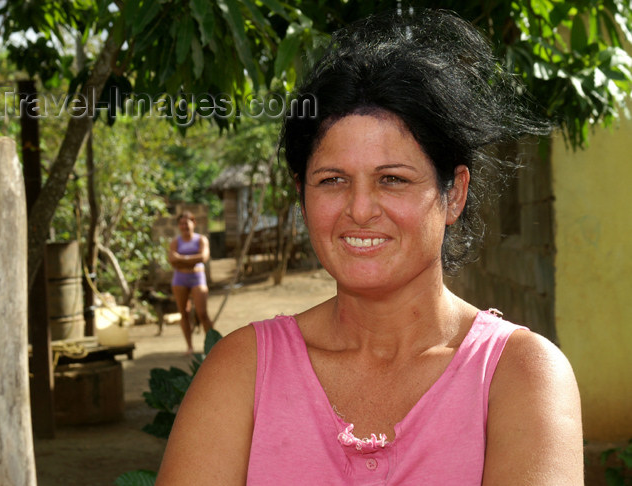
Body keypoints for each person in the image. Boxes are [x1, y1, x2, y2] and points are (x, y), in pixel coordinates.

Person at [156, 9, 583, 485]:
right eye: (332, 179)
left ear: (454, 193)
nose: (359, 209)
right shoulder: (241, 371)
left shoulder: (518, 375)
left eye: (393, 179)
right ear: (302, 194)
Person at [167, 210, 214, 352]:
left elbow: (203, 258)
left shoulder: (201, 240)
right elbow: (172, 260)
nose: (184, 226)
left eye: (186, 223)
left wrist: (182, 259)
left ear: (193, 223)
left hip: (197, 278)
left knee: (202, 313)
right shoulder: (175, 242)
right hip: (180, 280)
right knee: (184, 313)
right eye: (181, 224)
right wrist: (192, 259)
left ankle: (213, 345)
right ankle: (189, 346)